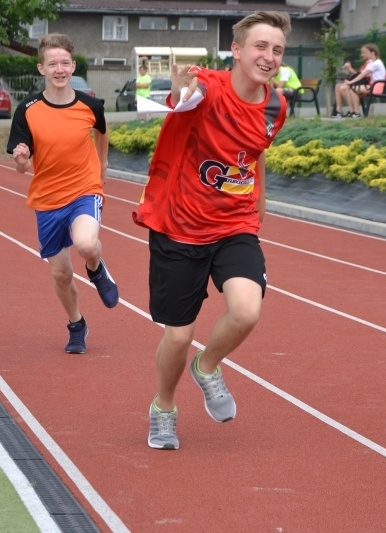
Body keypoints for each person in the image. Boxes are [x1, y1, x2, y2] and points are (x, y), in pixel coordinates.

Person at [133, 11, 291, 450]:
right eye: (261, 47)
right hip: (179, 226)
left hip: (234, 225)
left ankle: (208, 365)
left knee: (246, 311)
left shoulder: (277, 105)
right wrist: (181, 85)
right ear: (237, 50)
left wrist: (259, 208)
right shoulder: (207, 87)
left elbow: (257, 152)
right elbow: (183, 95)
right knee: (179, 334)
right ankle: (164, 407)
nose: (269, 57)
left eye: (277, 50)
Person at [6, 33, 119, 355]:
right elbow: (20, 166)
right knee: (61, 273)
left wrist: (103, 165)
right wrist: (21, 160)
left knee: (85, 244)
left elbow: (102, 131)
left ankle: (97, 268)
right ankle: (77, 324)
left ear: (73, 66)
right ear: (41, 68)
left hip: (85, 189)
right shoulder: (27, 109)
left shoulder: (90, 104)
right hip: (47, 198)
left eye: (65, 63)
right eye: (52, 63)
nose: (59, 69)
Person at [344, 43, 386, 117]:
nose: (364, 54)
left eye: (367, 52)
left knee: (353, 89)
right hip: (373, 85)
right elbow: (363, 74)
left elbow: (362, 74)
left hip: (376, 87)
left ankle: (356, 112)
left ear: (373, 53)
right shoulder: (373, 63)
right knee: (352, 89)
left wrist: (350, 82)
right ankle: (355, 112)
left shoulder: (376, 63)